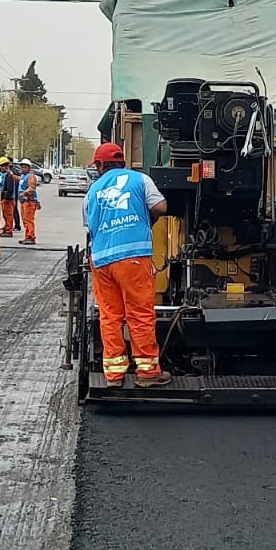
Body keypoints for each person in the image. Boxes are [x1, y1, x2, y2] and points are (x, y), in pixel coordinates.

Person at [85, 142, 171, 388]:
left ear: (100, 165)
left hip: (101, 260)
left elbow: (90, 227)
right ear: (122, 162)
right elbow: (161, 207)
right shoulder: (140, 180)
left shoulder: (92, 191)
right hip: (133, 256)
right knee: (140, 313)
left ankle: (113, 376)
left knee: (110, 316)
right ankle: (147, 373)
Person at [17, 159, 41, 244]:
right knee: (25, 220)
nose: (23, 169)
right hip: (24, 201)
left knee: (29, 220)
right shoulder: (23, 176)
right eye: (22, 167)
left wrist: (24, 193)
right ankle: (27, 236)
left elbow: (32, 188)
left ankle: (31, 237)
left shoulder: (31, 176)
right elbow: (18, 181)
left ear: (28, 168)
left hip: (30, 201)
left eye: (25, 167)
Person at [0, 156, 18, 238]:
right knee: (6, 215)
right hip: (6, 198)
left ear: (6, 166)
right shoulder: (5, 174)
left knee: (8, 215)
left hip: (9, 199)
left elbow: (9, 188)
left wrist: (6, 198)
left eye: (1, 166)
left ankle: (8, 230)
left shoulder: (9, 175)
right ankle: (7, 227)